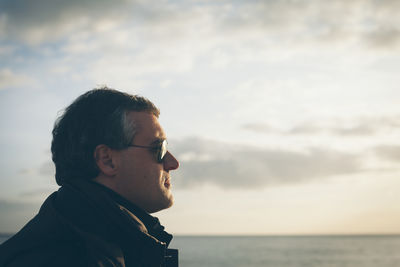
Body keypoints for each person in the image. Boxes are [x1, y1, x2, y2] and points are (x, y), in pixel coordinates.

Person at [0, 88, 180, 267]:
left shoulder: (98, 244)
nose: (173, 162)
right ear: (107, 160)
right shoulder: (63, 258)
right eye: (159, 148)